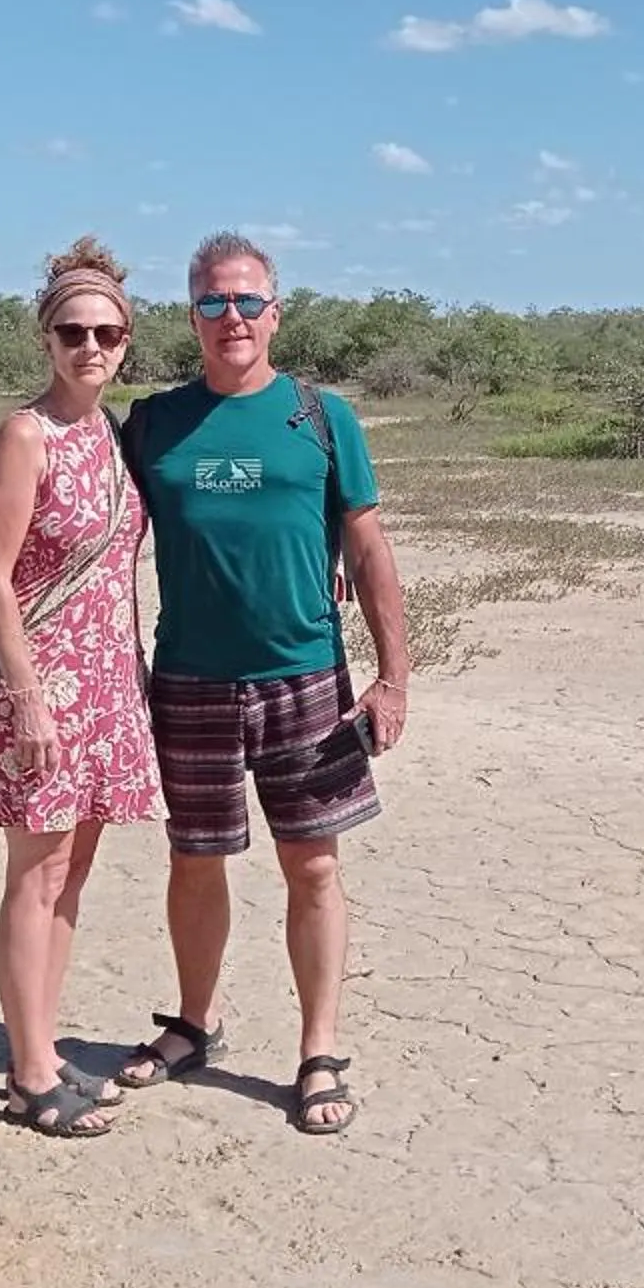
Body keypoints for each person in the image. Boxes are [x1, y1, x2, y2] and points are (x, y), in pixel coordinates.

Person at [109, 231, 411, 1135]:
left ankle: (319, 1051)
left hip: (305, 677)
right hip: (191, 680)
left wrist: (393, 677)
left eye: (247, 301)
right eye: (212, 302)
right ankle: (194, 1024)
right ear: (191, 314)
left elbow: (367, 542)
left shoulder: (319, 416)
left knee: (312, 865)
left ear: (275, 313)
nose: (230, 317)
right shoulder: (155, 423)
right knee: (194, 859)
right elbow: (100, 535)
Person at [0, 236, 161, 1138]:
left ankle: (34, 1051)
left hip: (111, 683)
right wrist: (29, 696)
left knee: (73, 875)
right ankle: (31, 1078)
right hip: (43, 688)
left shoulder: (111, 437)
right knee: (35, 875)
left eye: (108, 334)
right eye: (73, 331)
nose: (91, 347)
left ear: (126, 342)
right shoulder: (25, 435)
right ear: (45, 339)